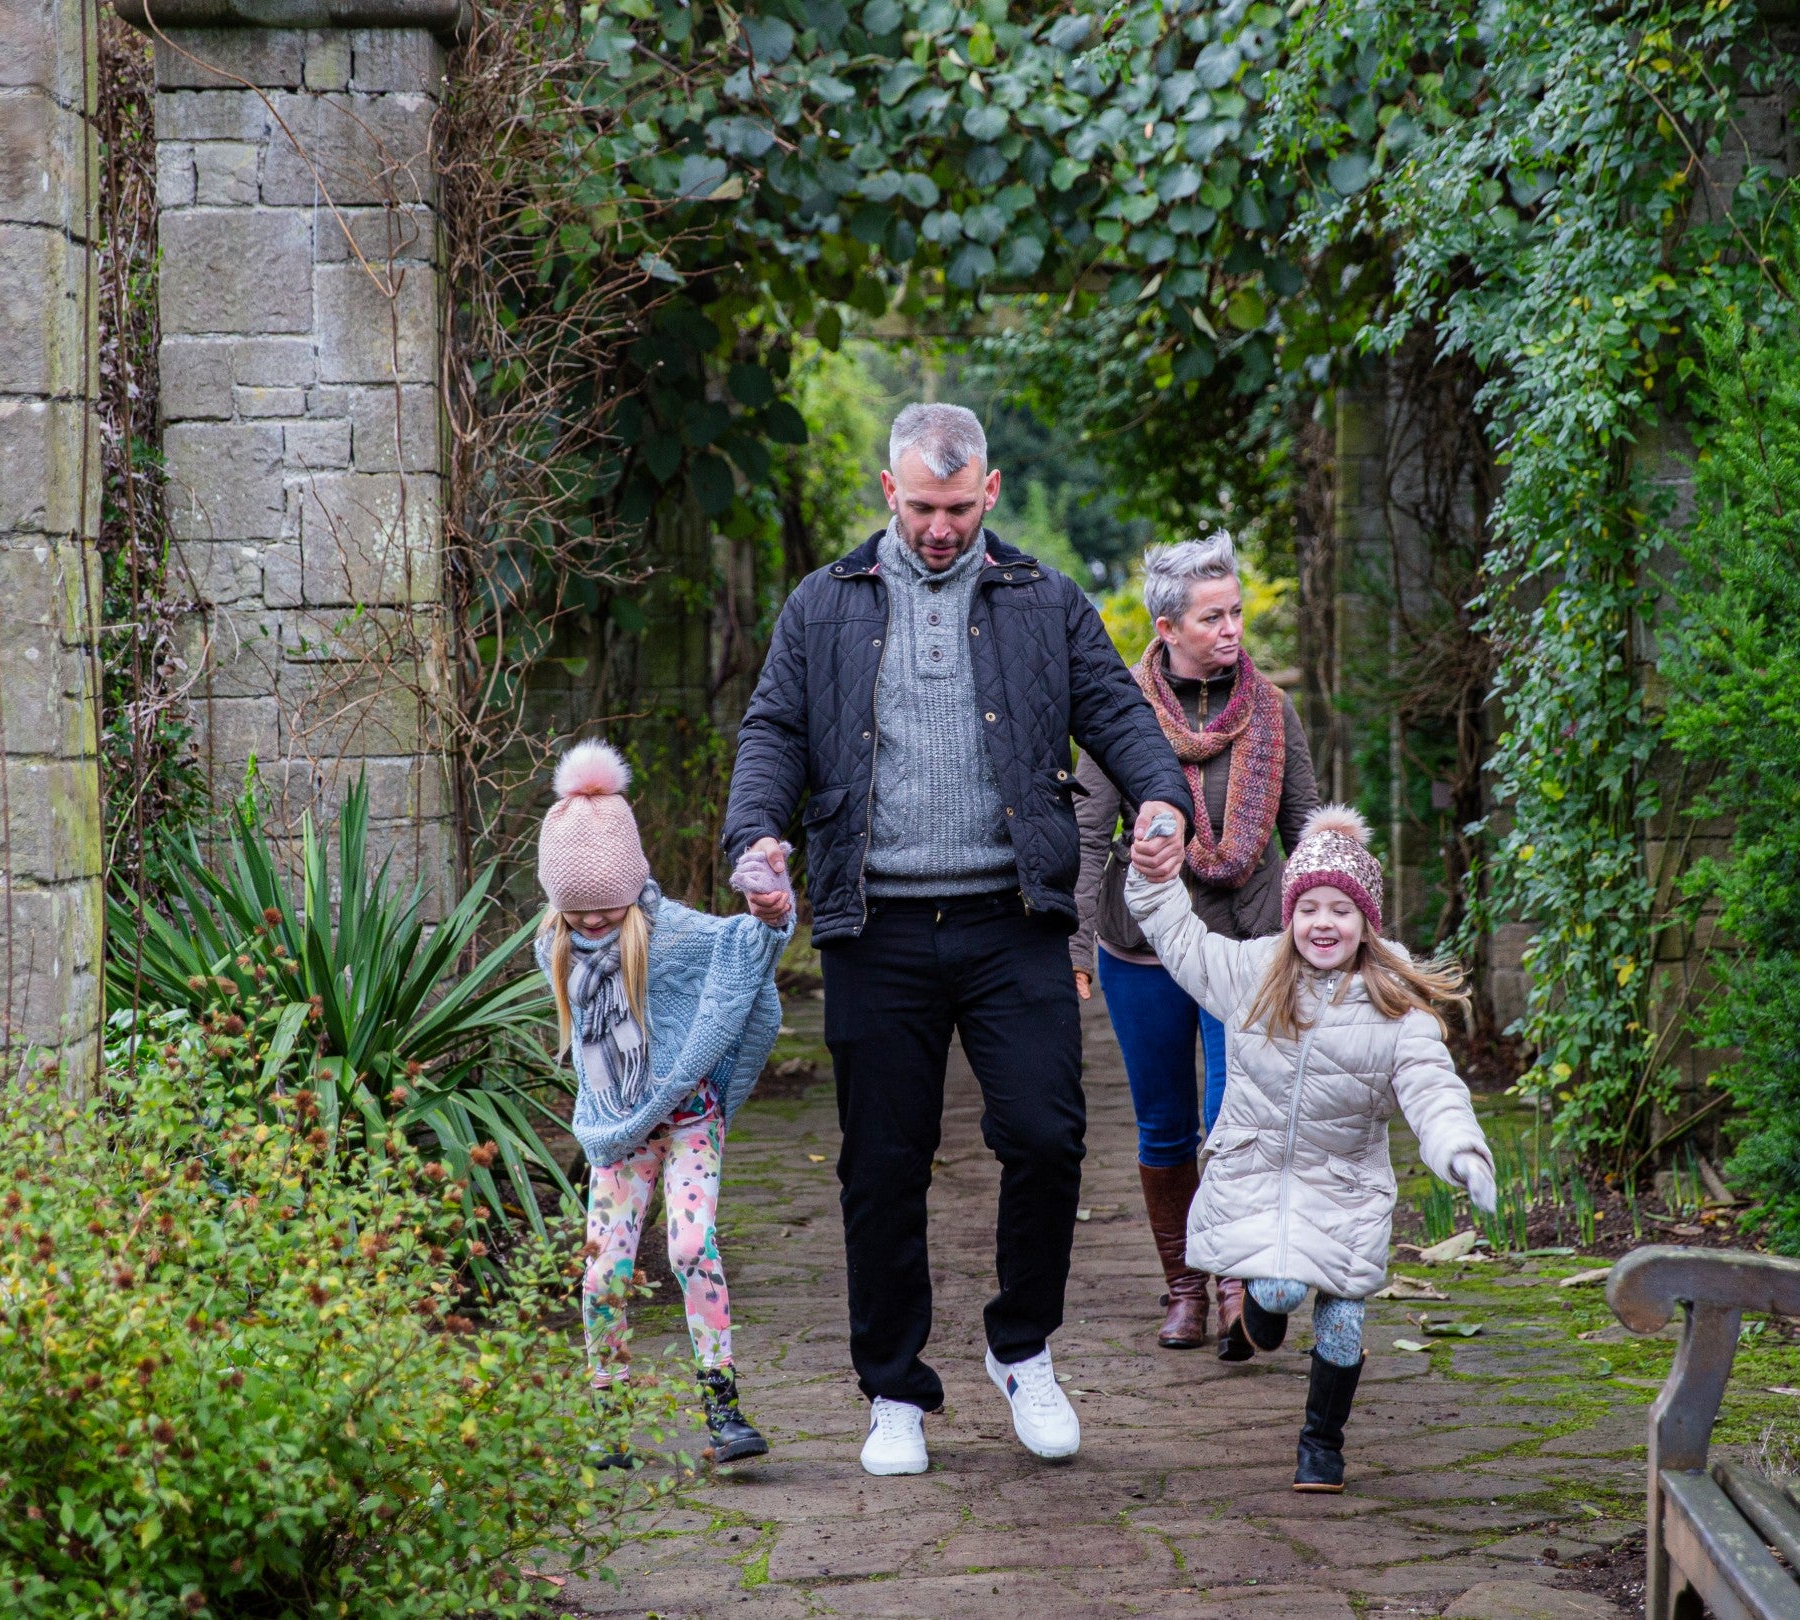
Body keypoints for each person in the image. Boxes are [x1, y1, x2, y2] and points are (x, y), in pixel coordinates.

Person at [721, 401, 1193, 1478]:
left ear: (990, 491)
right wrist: (756, 837)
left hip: (1011, 917)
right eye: (922, 506)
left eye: (959, 506)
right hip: (872, 924)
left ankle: (1021, 1348)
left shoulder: (1042, 600)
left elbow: (1119, 715)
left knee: (1045, 1135)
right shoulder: (823, 605)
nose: (940, 527)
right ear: (890, 492)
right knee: (881, 1165)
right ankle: (894, 1389)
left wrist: (1160, 801)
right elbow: (773, 732)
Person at [1122, 804, 1499, 1492]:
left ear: (1367, 923)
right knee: (1283, 1284)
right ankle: (1264, 1307)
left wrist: (1460, 1151)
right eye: (1309, 908)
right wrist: (1153, 877)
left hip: (1345, 1185)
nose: (1323, 923)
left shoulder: (1395, 1007)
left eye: (1342, 911)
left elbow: (1430, 1088)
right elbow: (1179, 940)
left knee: (1346, 1317)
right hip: (1258, 1176)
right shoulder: (1253, 976)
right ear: (1290, 914)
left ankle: (1321, 1444)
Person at [1070, 532, 1318, 1352]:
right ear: (1168, 626)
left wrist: (1332, 942)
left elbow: (1310, 835)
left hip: (1247, 947)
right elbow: (1082, 830)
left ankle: (1236, 1285)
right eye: (1212, 617)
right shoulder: (1119, 711)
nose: (1231, 629)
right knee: (1166, 1126)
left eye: (1236, 612)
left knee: (1236, 1122)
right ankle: (1183, 1284)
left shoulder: (1274, 713)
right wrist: (1073, 948)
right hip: (1144, 947)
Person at [537, 739, 788, 1466]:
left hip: (689, 1120)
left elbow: (748, 948)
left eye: (604, 907)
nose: (591, 922)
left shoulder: (672, 931)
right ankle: (606, 1416)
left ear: (632, 884)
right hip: (617, 1129)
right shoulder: (551, 942)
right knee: (601, 1271)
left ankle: (723, 1407)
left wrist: (772, 909)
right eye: (575, 909)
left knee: (688, 1244)